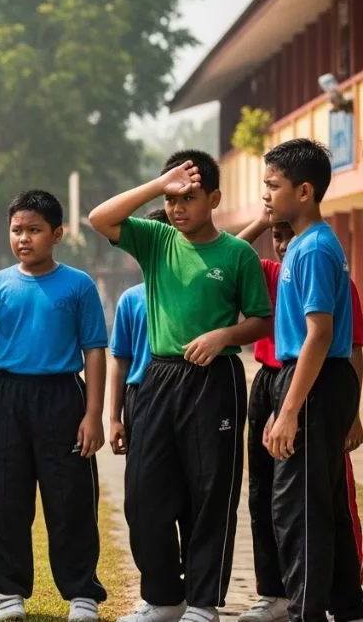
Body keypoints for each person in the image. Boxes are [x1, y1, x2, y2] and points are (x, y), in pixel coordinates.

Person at [88, 150, 272, 622]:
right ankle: (165, 599)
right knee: (143, 496)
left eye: (188, 198)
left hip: (217, 380)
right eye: (172, 199)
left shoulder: (238, 254)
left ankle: (204, 602)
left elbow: (260, 319)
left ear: (214, 199)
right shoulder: (155, 240)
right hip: (158, 378)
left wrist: (224, 335)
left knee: (210, 494)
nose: (177, 208)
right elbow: (99, 218)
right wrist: (158, 185)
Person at [0, 190, 108, 622]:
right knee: (4, 497)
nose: (23, 238)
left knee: (70, 500)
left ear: (57, 234)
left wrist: (93, 414)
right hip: (6, 397)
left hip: (63, 397)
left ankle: (81, 592)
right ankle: (8, 590)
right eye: (16, 230)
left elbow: (95, 351)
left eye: (34, 230)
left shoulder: (79, 285)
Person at [235, 206, 363, 622]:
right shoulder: (275, 271)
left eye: (289, 233)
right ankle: (280, 592)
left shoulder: (319, 261)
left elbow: (345, 343)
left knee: (315, 501)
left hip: (309, 386)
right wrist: (264, 219)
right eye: (277, 235)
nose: (283, 242)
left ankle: (324, 602)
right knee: (268, 497)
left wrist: (350, 412)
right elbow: (228, 253)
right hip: (273, 383)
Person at [109, 208, 171, 455]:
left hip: (188, 390)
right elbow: (120, 361)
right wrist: (114, 418)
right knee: (142, 472)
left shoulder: (198, 292)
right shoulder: (130, 299)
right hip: (141, 394)